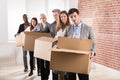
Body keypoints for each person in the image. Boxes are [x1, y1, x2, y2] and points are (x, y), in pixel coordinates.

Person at [65, 8, 96, 80]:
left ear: (79, 15)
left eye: (75, 16)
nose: (73, 18)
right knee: (70, 77)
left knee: (83, 78)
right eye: (71, 17)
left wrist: (93, 51)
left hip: (82, 57)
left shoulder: (88, 28)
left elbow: (93, 42)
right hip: (70, 57)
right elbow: (65, 41)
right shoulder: (68, 28)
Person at [32, 13, 50, 80]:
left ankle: (47, 74)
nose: (43, 19)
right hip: (40, 46)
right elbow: (32, 32)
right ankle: (42, 76)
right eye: (41, 18)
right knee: (41, 62)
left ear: (46, 18)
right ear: (40, 19)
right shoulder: (38, 25)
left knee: (47, 61)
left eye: (44, 18)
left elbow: (52, 34)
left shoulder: (49, 25)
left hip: (47, 45)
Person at [54, 10, 71, 80]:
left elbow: (70, 39)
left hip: (67, 51)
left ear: (67, 17)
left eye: (64, 16)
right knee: (60, 72)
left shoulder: (70, 27)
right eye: (61, 17)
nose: (63, 18)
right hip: (59, 50)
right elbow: (56, 37)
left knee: (67, 71)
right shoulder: (59, 27)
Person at [48, 9, 61, 80]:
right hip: (54, 48)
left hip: (63, 48)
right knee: (54, 67)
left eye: (56, 15)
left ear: (59, 14)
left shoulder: (64, 24)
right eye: (53, 15)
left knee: (63, 68)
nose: (54, 16)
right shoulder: (51, 25)